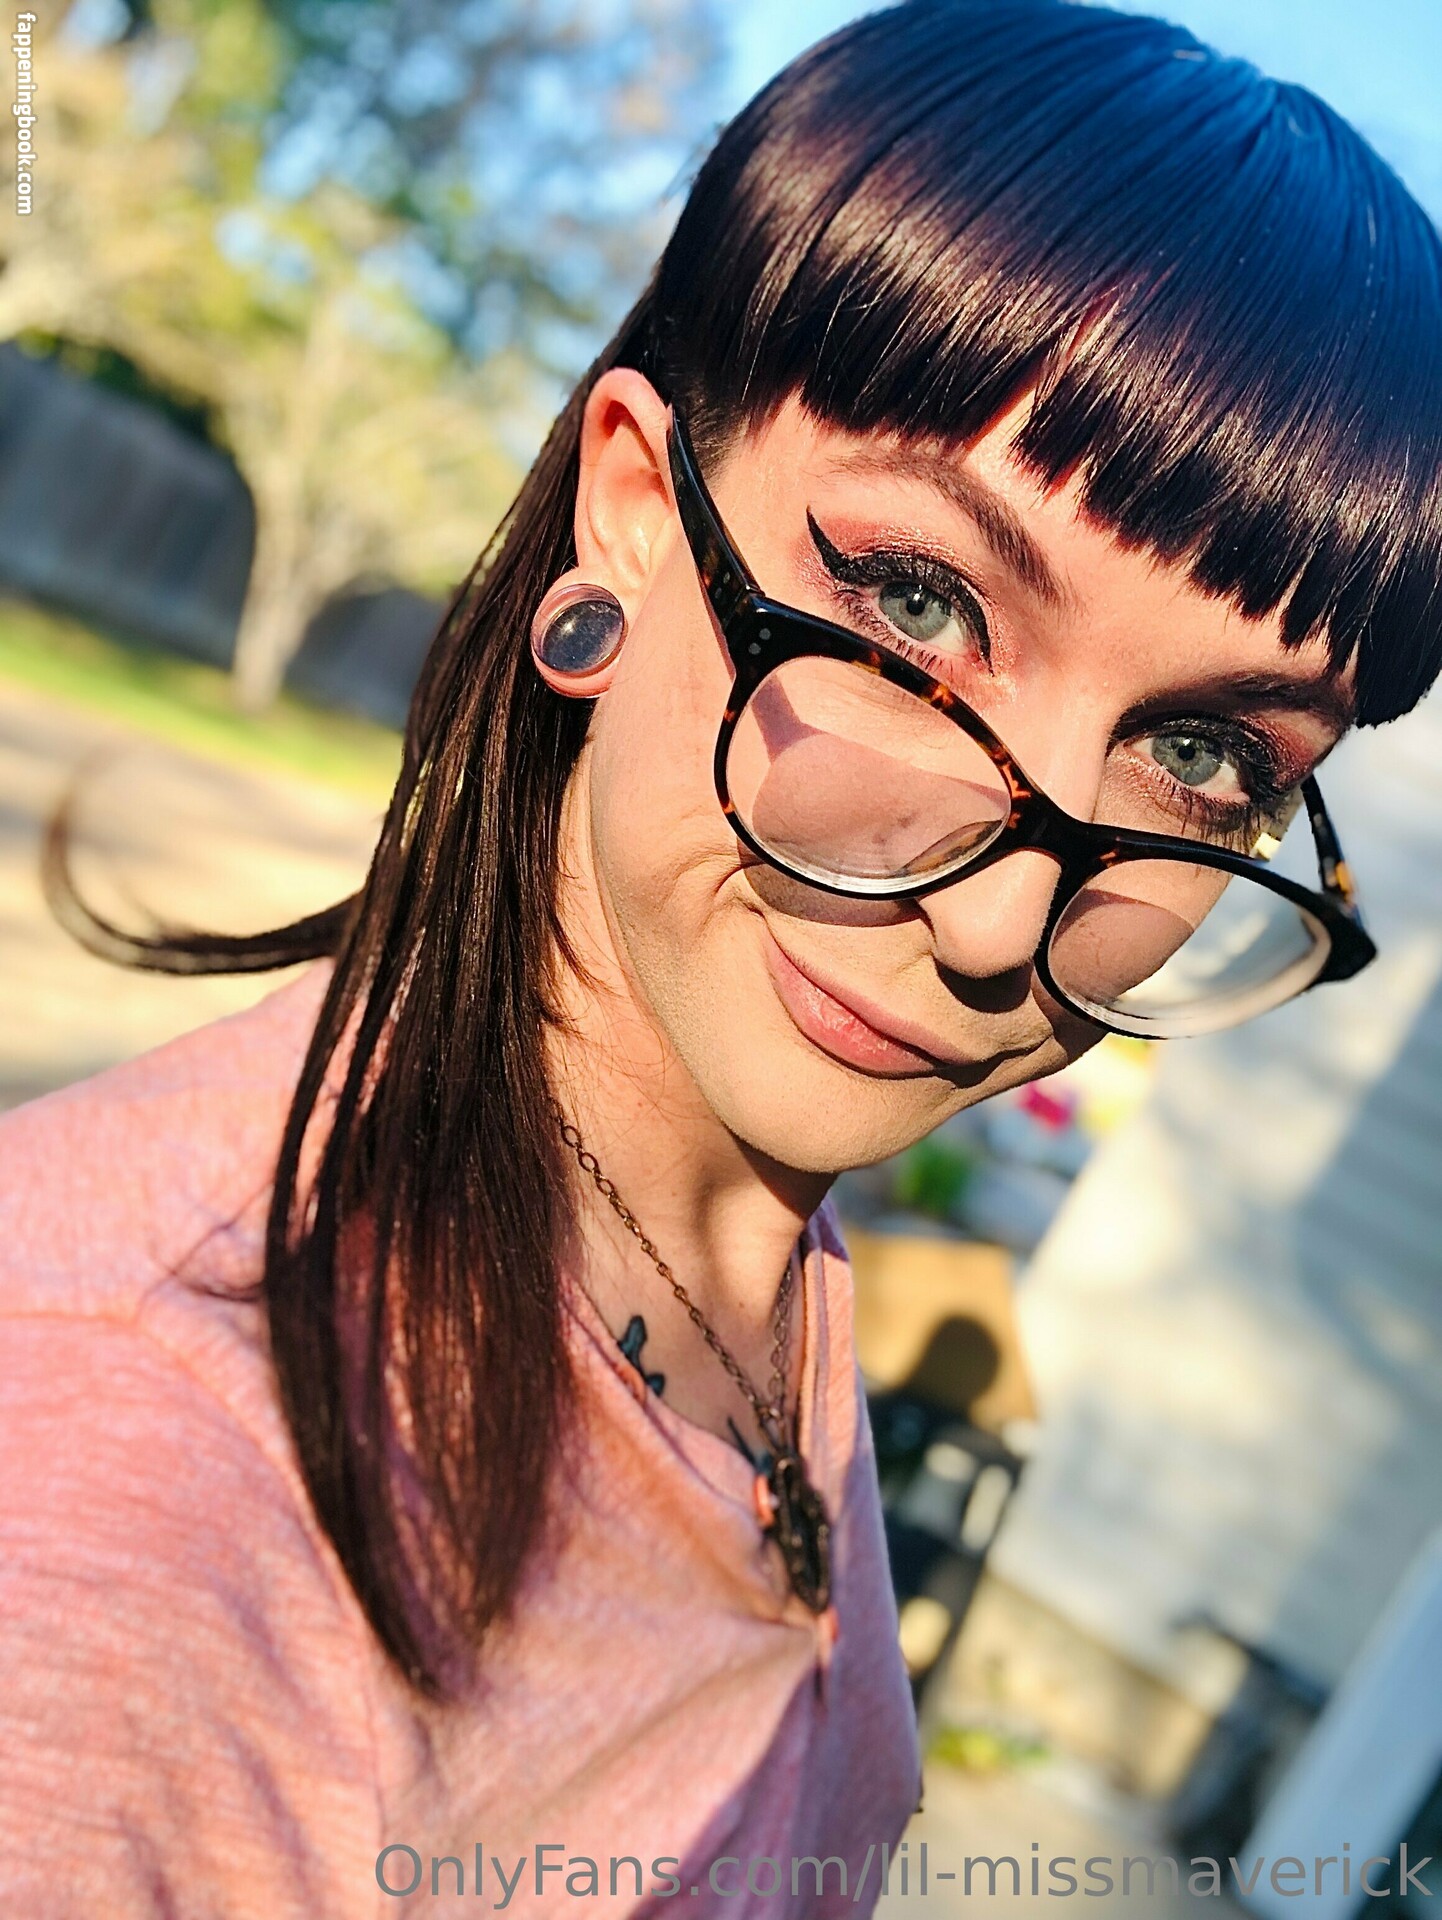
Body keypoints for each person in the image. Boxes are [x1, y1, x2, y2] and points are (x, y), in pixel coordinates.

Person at [2, 1, 1439, 1913]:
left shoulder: (749, 1232)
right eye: (916, 603)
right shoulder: (124, 1498)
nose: (999, 929)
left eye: (1198, 757)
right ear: (631, 506)